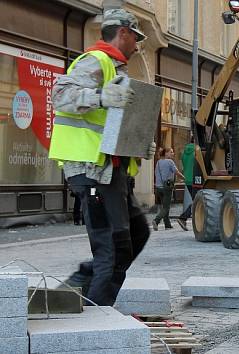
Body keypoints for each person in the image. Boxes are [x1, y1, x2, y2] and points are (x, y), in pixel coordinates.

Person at [48, 8, 154, 306]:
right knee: (114, 248)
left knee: (137, 232)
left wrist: (139, 146)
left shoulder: (116, 69)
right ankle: (96, 317)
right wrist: (99, 97)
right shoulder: (95, 61)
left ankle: (82, 282)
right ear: (124, 33)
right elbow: (59, 96)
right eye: (137, 37)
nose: (138, 45)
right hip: (91, 170)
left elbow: (112, 126)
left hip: (111, 172)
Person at [153, 147, 184, 231]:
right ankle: (156, 220)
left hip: (158, 188)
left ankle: (167, 224)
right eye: (171, 152)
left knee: (164, 206)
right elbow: (176, 172)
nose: (173, 153)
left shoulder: (158, 162)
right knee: (166, 207)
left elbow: (156, 174)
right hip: (166, 188)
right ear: (166, 153)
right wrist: (184, 178)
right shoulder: (170, 162)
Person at [177, 139, 195, 231]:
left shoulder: (184, 153)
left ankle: (184, 218)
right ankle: (183, 218)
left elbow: (184, 165)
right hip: (196, 179)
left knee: (195, 200)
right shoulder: (197, 151)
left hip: (187, 179)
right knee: (197, 201)